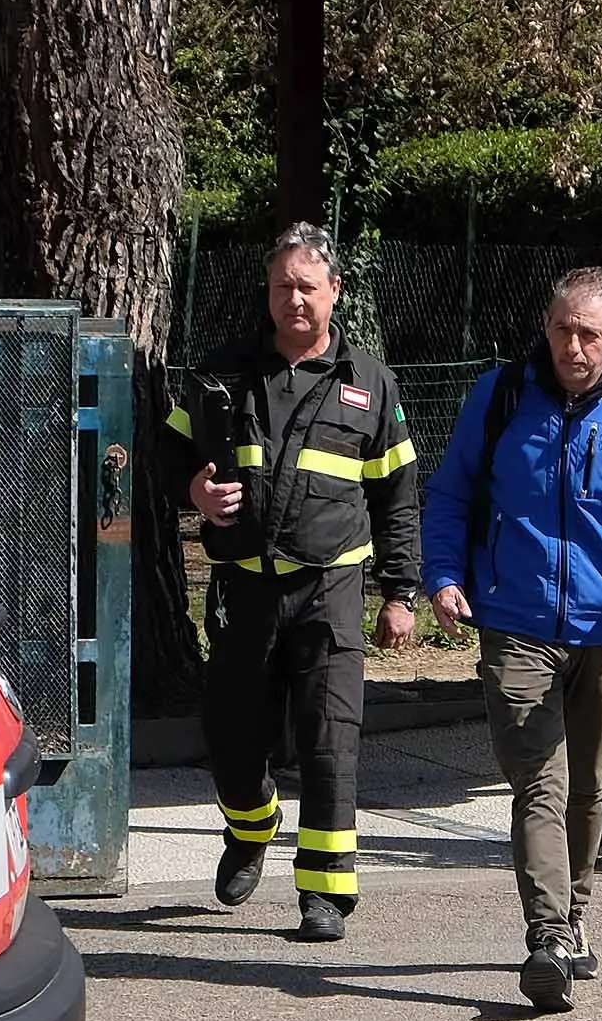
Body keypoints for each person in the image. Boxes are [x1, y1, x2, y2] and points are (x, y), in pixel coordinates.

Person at [422, 265, 602, 1014]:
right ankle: (547, 936)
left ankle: (576, 914)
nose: (572, 346)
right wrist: (443, 574)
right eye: (561, 329)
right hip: (513, 624)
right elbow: (451, 492)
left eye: (588, 333)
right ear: (545, 328)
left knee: (587, 787)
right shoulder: (499, 397)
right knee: (539, 785)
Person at [164, 225, 423, 943]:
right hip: (243, 590)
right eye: (283, 285)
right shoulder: (221, 375)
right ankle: (251, 825)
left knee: (329, 740)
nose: (294, 300)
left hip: (330, 589)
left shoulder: (369, 383)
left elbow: (397, 495)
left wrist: (400, 593)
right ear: (268, 291)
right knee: (232, 738)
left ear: (335, 291)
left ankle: (325, 895)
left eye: (308, 286)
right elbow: (165, 455)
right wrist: (194, 488)